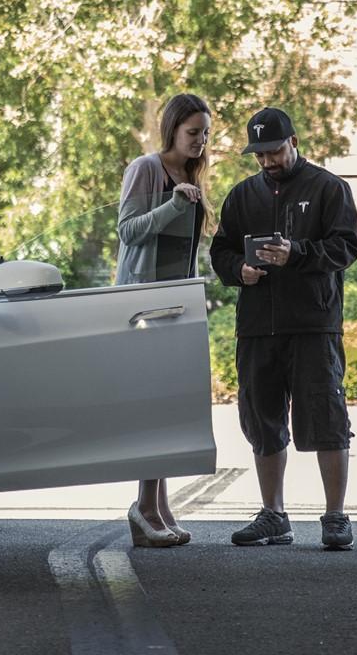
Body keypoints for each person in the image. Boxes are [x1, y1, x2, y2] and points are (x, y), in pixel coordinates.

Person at [209, 107, 357, 550]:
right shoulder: (240, 197)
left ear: (294, 142)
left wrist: (296, 252)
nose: (267, 161)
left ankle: (336, 516)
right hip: (257, 327)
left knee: (327, 418)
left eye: (274, 151)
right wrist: (240, 269)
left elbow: (346, 246)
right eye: (258, 154)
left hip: (315, 325)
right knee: (262, 419)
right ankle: (273, 515)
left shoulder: (329, 188)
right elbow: (221, 252)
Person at [115, 93, 214, 547]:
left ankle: (158, 505)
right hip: (142, 308)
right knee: (151, 411)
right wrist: (175, 203)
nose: (200, 141)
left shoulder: (193, 174)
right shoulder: (146, 168)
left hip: (176, 305)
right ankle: (143, 507)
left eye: (206, 134)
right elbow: (128, 230)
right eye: (193, 132)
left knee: (169, 410)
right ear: (172, 129)